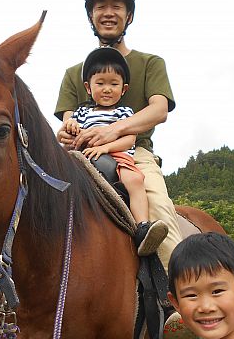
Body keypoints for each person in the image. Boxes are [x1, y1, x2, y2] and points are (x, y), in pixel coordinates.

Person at [55, 0, 182, 270]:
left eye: (117, 6)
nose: (108, 12)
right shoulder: (75, 73)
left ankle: (177, 299)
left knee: (161, 210)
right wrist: (68, 132)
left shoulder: (151, 63)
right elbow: (68, 120)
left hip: (133, 154)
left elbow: (159, 109)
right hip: (81, 154)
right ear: (91, 16)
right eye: (101, 6)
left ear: (129, 16)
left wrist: (113, 130)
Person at [63, 46, 168, 255]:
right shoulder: (82, 112)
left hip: (119, 156)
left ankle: (143, 227)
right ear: (88, 87)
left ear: (124, 89)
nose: (107, 89)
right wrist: (66, 131)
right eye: (100, 83)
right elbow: (68, 127)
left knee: (135, 180)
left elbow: (129, 140)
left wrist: (106, 146)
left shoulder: (124, 112)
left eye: (113, 84)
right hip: (84, 156)